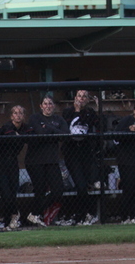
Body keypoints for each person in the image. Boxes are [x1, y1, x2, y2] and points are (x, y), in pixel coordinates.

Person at [25, 95, 69, 226]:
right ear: (41, 106)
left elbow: (66, 135)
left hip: (52, 160)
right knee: (40, 189)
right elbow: (40, 133)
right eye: (45, 103)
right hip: (35, 160)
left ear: (54, 106)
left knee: (58, 190)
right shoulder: (35, 118)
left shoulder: (58, 119)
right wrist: (54, 133)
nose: (48, 106)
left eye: (50, 103)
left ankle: (34, 214)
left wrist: (49, 129)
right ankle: (35, 217)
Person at [61, 90, 102, 226]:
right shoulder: (67, 111)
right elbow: (68, 127)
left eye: (84, 96)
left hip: (86, 152)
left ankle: (85, 215)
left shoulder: (90, 112)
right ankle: (85, 213)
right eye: (79, 96)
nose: (82, 98)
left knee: (87, 185)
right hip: (72, 153)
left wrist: (99, 108)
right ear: (75, 98)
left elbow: (99, 126)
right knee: (80, 185)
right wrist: (77, 111)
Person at [0, 104, 33, 230]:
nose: (18, 115)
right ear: (11, 116)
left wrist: (19, 136)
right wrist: (17, 136)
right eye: (15, 113)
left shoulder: (25, 127)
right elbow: (11, 136)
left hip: (13, 161)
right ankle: (10, 216)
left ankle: (12, 218)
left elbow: (30, 136)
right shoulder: (8, 126)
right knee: (5, 192)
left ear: (24, 116)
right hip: (0, 161)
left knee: (13, 191)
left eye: (20, 113)